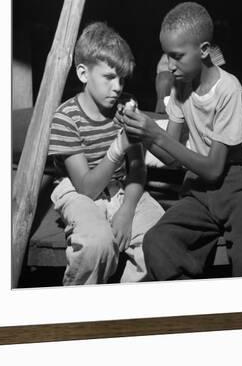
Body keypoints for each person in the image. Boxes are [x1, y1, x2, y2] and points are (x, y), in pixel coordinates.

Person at [120, 2, 242, 280]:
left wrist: (157, 133)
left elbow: (214, 167)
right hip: (198, 189)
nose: (170, 66)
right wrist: (141, 135)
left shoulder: (228, 90)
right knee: (158, 241)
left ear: (203, 50)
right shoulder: (181, 86)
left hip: (236, 185)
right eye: (166, 57)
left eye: (177, 57)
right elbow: (171, 158)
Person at [48, 22, 164, 285]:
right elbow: (86, 189)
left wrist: (126, 209)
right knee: (96, 245)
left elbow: (137, 168)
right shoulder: (66, 118)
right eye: (109, 77)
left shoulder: (125, 107)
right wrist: (118, 145)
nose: (117, 87)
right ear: (83, 73)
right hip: (78, 193)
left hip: (123, 188)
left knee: (160, 239)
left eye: (122, 79)